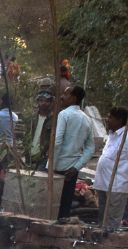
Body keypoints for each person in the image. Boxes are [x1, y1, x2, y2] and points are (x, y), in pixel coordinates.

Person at [93, 107, 128, 231]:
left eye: (110, 117)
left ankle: (110, 242)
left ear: (119, 120)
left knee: (112, 220)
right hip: (103, 184)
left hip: (117, 185)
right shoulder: (111, 135)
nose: (107, 120)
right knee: (102, 218)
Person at [51, 85, 95, 219]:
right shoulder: (87, 119)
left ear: (74, 98)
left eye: (66, 94)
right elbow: (90, 148)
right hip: (72, 170)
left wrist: (50, 166)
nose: (62, 97)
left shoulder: (64, 114)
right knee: (65, 207)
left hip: (57, 167)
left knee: (51, 205)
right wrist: (76, 167)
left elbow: (57, 142)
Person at [28, 91, 54, 170]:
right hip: (30, 155)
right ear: (38, 102)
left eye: (47, 101)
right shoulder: (32, 118)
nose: (44, 103)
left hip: (43, 157)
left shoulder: (53, 119)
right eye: (41, 100)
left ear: (50, 103)